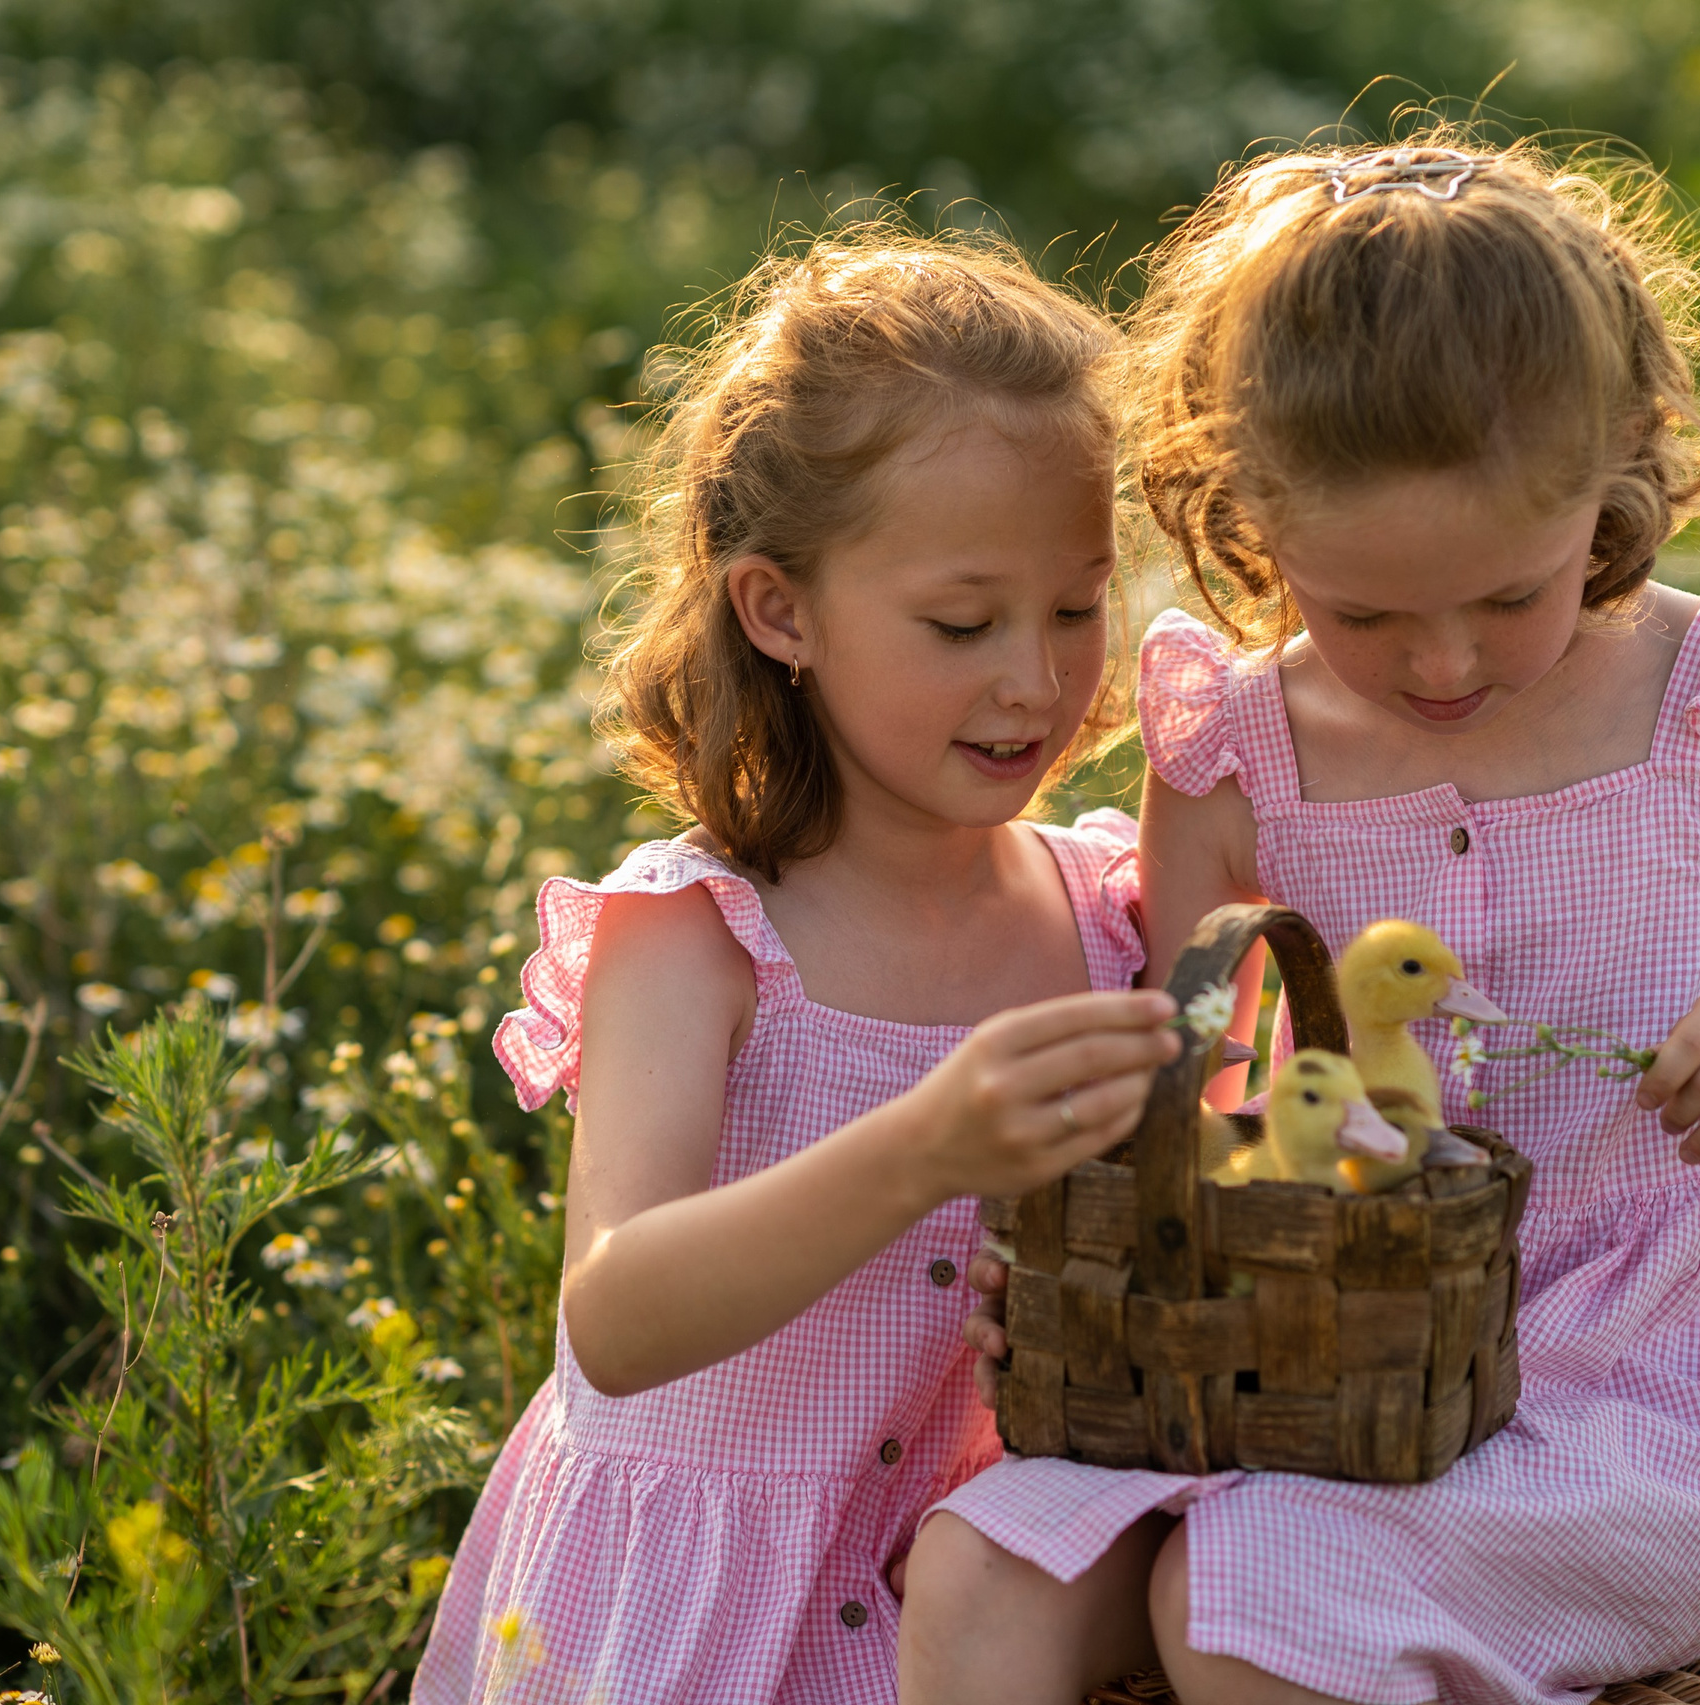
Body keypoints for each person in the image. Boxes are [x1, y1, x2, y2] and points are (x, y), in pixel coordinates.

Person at [901, 138, 1700, 1705]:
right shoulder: (1235, 759)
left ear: (1622, 469)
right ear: (1250, 518)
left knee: (1241, 1602)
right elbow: (1219, 1115)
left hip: (1645, 1396)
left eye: (1512, 596)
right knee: (983, 1571)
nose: (1446, 663)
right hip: (1308, 1354)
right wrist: (1106, 1250)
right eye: (1367, 612)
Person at [412, 230, 1182, 1705]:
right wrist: (925, 1146)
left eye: (1078, 606)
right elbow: (615, 1320)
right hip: (694, 1624)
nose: (1036, 677)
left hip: (955, 1621)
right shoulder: (701, 934)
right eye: (962, 622)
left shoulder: (1105, 918)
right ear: (781, 612)